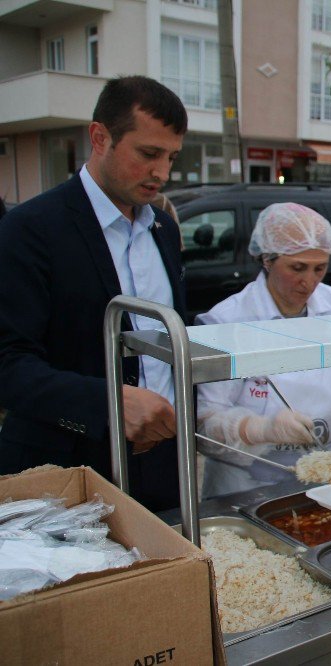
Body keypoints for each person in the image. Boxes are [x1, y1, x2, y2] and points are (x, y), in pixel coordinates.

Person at [0, 76, 188, 511]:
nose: (162, 173)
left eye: (172, 157)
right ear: (100, 137)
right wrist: (111, 404)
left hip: (161, 471)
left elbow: (167, 338)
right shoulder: (30, 230)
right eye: (148, 154)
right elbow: (8, 365)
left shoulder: (163, 229)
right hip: (64, 477)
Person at [195, 203, 331, 497]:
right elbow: (207, 424)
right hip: (250, 486)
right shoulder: (228, 321)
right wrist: (261, 429)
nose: (310, 281)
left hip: (330, 472)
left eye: (320, 268)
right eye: (297, 268)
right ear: (267, 259)